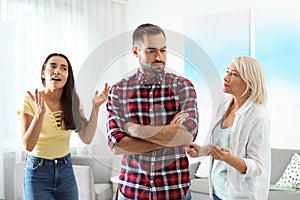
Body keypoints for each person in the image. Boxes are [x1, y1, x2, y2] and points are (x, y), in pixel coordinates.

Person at [106, 23, 199, 200]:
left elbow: (187, 136)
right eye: (151, 51)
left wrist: (135, 130)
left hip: (174, 190)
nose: (159, 57)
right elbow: (117, 145)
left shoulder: (182, 87)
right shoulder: (118, 91)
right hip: (133, 190)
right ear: (135, 52)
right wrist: (169, 133)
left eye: (163, 50)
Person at [18, 53, 110, 200]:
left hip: (65, 168)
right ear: (43, 73)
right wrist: (39, 115)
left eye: (63, 68)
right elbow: (28, 145)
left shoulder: (73, 101)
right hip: (37, 171)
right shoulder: (31, 100)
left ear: (68, 75)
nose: (58, 71)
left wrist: (96, 107)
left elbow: (86, 137)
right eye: (52, 67)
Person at [186, 56, 271, 200]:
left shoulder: (258, 116)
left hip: (240, 196)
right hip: (217, 191)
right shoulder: (224, 105)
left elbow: (257, 167)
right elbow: (223, 145)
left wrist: (228, 158)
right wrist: (202, 150)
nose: (226, 78)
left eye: (234, 74)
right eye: (227, 71)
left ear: (249, 81)